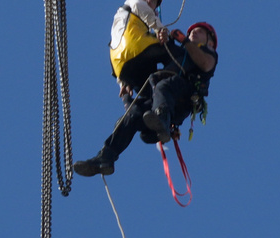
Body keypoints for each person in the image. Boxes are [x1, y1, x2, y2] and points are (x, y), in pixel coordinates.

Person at [74, 21, 218, 177]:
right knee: (133, 112)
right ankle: (106, 157)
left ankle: (161, 121)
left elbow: (205, 64)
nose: (193, 33)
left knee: (164, 86)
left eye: (199, 32)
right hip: (163, 99)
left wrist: (184, 40)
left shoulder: (207, 53)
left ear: (209, 41)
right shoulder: (178, 53)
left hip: (182, 97)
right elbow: (155, 50)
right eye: (191, 31)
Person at [109, 0, 170, 100]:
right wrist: (161, 30)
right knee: (171, 48)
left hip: (121, 66)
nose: (148, 1)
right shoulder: (134, 1)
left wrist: (122, 82)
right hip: (137, 48)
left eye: (153, 1)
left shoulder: (120, 19)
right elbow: (143, 9)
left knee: (150, 94)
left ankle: (136, 110)